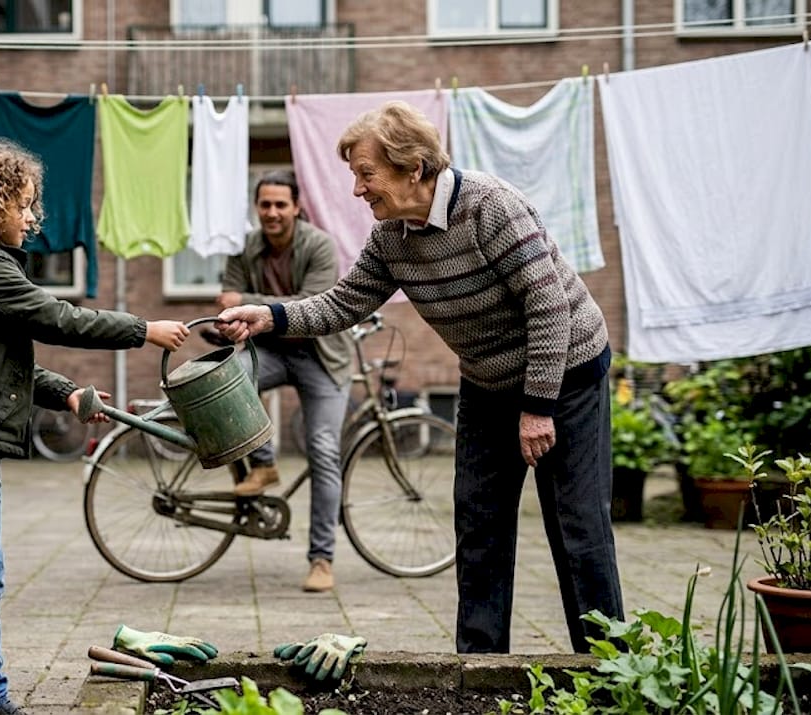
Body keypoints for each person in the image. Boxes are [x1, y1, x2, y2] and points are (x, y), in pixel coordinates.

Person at [217, 101, 622, 654]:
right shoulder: (392, 236)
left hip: (566, 373)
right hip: (487, 381)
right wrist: (270, 316)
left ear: (412, 167)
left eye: (366, 174)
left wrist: (537, 407)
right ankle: (479, 668)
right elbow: (344, 302)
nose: (357, 190)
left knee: (576, 527)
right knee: (478, 522)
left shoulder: (491, 207)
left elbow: (548, 307)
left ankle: (608, 670)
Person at [0, 138, 190, 715]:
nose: (33, 217)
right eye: (24, 204)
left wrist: (68, 393)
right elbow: (58, 318)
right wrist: (142, 329)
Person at [216, 170, 353, 593]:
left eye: (280, 205)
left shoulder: (319, 245)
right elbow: (227, 301)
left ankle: (322, 560)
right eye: (265, 205)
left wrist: (247, 304)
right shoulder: (244, 247)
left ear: (296, 207)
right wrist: (230, 322)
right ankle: (264, 464)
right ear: (256, 208)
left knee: (323, 450)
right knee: (229, 377)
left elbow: (312, 306)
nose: (272, 213)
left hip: (321, 356)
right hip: (270, 351)